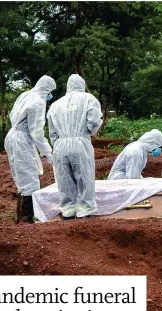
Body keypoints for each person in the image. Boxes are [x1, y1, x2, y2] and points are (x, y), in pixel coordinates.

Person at [47, 74, 103, 219]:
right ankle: (85, 211)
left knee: (64, 179)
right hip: (80, 142)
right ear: (82, 85)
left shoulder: (55, 105)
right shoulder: (89, 99)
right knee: (85, 177)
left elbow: (52, 133)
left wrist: (58, 144)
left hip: (60, 145)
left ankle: (67, 211)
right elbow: (93, 123)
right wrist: (90, 132)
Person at [4, 75, 56, 223]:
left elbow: (13, 115)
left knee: (21, 179)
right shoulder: (38, 102)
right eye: (50, 92)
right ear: (47, 89)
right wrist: (47, 151)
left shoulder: (25, 95)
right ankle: (26, 220)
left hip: (12, 136)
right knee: (30, 179)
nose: (50, 95)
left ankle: (21, 218)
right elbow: (36, 131)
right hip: (21, 139)